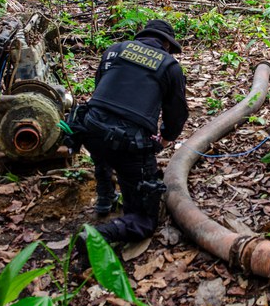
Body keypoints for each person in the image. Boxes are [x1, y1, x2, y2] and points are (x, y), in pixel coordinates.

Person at [77, 19, 188, 247]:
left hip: (89, 128)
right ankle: (99, 236)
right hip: (127, 144)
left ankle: (105, 198)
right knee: (145, 220)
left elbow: (100, 90)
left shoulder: (113, 50)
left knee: (102, 145)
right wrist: (166, 138)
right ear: (167, 45)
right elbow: (176, 114)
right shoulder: (169, 66)